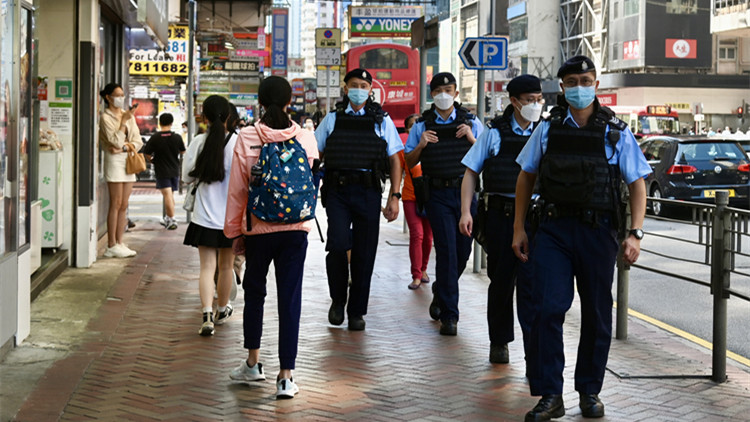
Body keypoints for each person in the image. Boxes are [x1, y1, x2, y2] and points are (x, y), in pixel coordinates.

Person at [512, 55, 650, 421]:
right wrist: (519, 228)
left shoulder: (615, 130)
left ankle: (589, 391)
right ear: (562, 86)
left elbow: (638, 184)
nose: (578, 87)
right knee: (547, 308)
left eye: (585, 79)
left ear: (596, 84)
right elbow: (525, 176)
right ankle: (550, 395)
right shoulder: (548, 128)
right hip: (553, 230)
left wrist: (634, 233)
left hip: (597, 232)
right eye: (571, 80)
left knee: (596, 313)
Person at [225, 76, 319, 400]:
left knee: (255, 295)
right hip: (296, 230)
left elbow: (238, 192)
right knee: (289, 299)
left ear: (260, 103)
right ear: (290, 101)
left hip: (259, 230)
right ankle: (286, 376)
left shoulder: (247, 137)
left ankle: (253, 362)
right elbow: (312, 182)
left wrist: (234, 233)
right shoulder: (306, 138)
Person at [459, 74, 542, 364]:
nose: (535, 105)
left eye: (538, 99)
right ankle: (499, 340)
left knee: (533, 287)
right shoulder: (494, 133)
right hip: (500, 216)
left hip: (535, 218)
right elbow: (471, 171)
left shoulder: (544, 131)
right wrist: (466, 211)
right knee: (502, 282)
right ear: (514, 102)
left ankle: (534, 350)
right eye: (530, 100)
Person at [315, 68, 403, 331]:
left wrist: (394, 197)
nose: (359, 90)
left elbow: (395, 160)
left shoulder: (381, 121)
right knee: (338, 245)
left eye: (364, 85)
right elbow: (315, 153)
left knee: (365, 253)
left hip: (368, 192)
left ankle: (357, 312)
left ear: (370, 90)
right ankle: (337, 299)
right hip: (338, 192)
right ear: (345, 89)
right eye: (354, 85)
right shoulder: (331, 120)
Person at [405, 72, 484, 336]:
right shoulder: (421, 125)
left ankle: (441, 290)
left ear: (456, 93)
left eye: (448, 90)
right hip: (437, 195)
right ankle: (450, 315)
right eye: (438, 90)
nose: (443, 95)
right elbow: (409, 161)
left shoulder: (471, 122)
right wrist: (422, 144)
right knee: (448, 252)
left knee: (462, 252)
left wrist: (472, 139)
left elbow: (487, 157)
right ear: (432, 94)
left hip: (465, 195)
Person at [182, 95, 238, 336]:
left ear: (203, 117)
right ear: (228, 116)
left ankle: (206, 313)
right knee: (226, 267)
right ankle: (222, 309)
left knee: (206, 267)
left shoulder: (198, 142)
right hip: (230, 218)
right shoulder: (238, 143)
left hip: (203, 216)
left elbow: (186, 177)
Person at [98, 83, 142, 258]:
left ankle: (120, 242)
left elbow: (138, 142)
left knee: (124, 204)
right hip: (114, 163)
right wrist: (123, 124)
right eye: (117, 95)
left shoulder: (128, 115)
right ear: (108, 97)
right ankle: (111, 244)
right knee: (115, 203)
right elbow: (114, 141)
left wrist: (124, 148)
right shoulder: (106, 117)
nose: (121, 98)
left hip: (128, 160)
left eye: (122, 95)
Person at [399, 113, 433, 290]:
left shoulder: (433, 146)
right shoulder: (407, 149)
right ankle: (416, 275)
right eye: (412, 125)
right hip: (410, 197)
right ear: (407, 129)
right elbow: (399, 169)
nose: (416, 128)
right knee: (417, 234)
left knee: (428, 237)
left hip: (429, 197)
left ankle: (424, 269)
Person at [143, 113, 186, 230]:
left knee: (167, 195)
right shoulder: (177, 137)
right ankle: (168, 217)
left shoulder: (155, 137)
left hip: (161, 169)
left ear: (160, 123)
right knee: (170, 195)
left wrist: (152, 160)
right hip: (174, 169)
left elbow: (146, 153)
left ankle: (171, 219)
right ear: (171, 123)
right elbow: (183, 151)